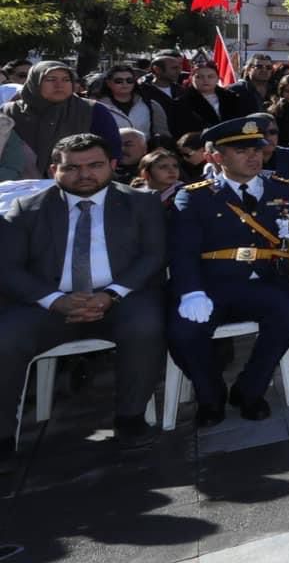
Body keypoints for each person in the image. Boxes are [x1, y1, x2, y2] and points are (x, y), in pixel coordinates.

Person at [0, 133, 168, 455]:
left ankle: (131, 417)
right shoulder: (27, 208)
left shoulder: (142, 202)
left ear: (113, 165)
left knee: (146, 324)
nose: (85, 174)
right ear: (53, 171)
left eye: (95, 165)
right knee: (5, 337)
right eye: (73, 168)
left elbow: (154, 256)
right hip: (47, 305)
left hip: (121, 300)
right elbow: (8, 269)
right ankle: (3, 437)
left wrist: (111, 295)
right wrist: (55, 300)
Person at [165, 119, 289, 424]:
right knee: (182, 330)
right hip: (211, 283)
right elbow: (183, 250)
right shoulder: (195, 195)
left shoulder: (282, 189)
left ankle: (250, 389)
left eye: (257, 149)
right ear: (217, 156)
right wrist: (191, 291)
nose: (254, 156)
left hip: (262, 281)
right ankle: (210, 394)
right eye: (241, 150)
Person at [2, 61, 125, 175]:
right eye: (50, 79)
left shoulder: (92, 110)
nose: (59, 85)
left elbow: (112, 152)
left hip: (80, 185)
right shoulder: (8, 112)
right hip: (15, 187)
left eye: (66, 80)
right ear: (34, 82)